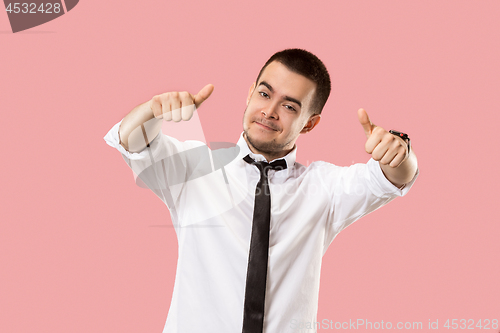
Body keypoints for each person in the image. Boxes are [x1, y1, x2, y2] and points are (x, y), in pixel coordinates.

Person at [103, 48, 419, 333]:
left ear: (310, 124)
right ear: (250, 94)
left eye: (290, 107)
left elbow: (391, 177)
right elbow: (133, 142)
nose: (270, 111)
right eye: (265, 94)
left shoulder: (324, 189)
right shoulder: (196, 170)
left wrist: (400, 151)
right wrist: (152, 111)